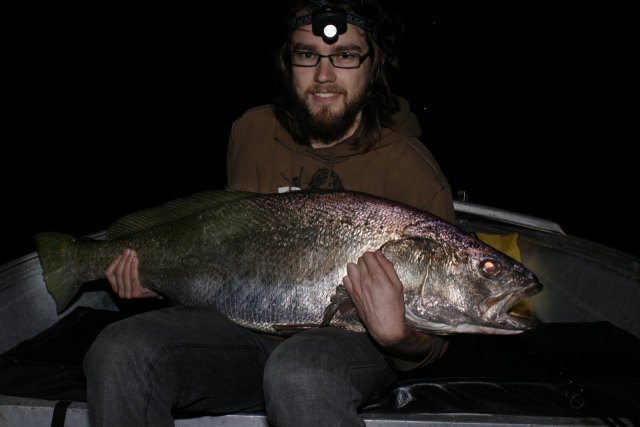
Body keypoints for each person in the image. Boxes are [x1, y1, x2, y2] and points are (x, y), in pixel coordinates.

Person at [83, 0, 455, 426]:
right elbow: (227, 249)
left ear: (375, 66)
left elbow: (435, 345)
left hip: (354, 344)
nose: (324, 75)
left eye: (346, 56)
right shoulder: (252, 132)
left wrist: (399, 336)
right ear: (287, 62)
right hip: (244, 335)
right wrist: (164, 275)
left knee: (299, 370)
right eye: (306, 55)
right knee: (121, 349)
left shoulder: (413, 170)